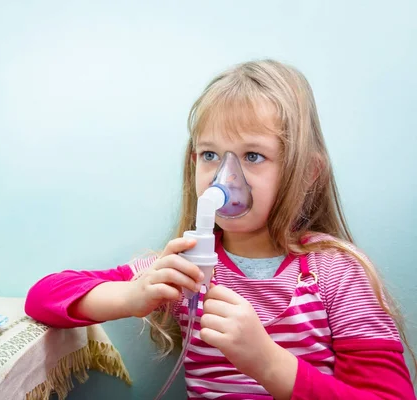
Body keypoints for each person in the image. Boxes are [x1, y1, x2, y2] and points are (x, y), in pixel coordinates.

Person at [24, 59, 416, 399]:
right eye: (210, 155)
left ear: (307, 173)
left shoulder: (337, 273)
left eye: (253, 155)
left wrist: (269, 363)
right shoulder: (186, 266)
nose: (225, 177)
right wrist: (131, 295)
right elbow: (43, 297)